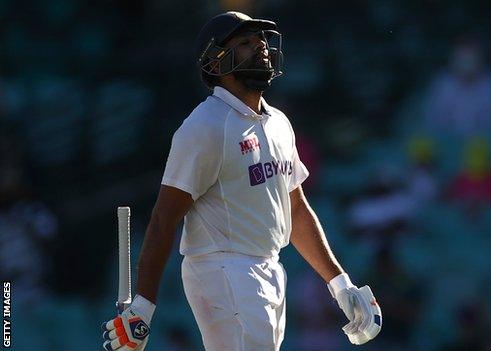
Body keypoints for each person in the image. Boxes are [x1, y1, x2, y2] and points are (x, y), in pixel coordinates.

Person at [101, 11, 381, 351]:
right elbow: (163, 219)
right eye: (245, 43)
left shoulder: (278, 123)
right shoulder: (204, 126)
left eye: (261, 40)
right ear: (216, 63)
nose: (261, 47)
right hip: (223, 268)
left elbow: (294, 209)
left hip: (268, 268)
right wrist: (142, 308)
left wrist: (340, 284)